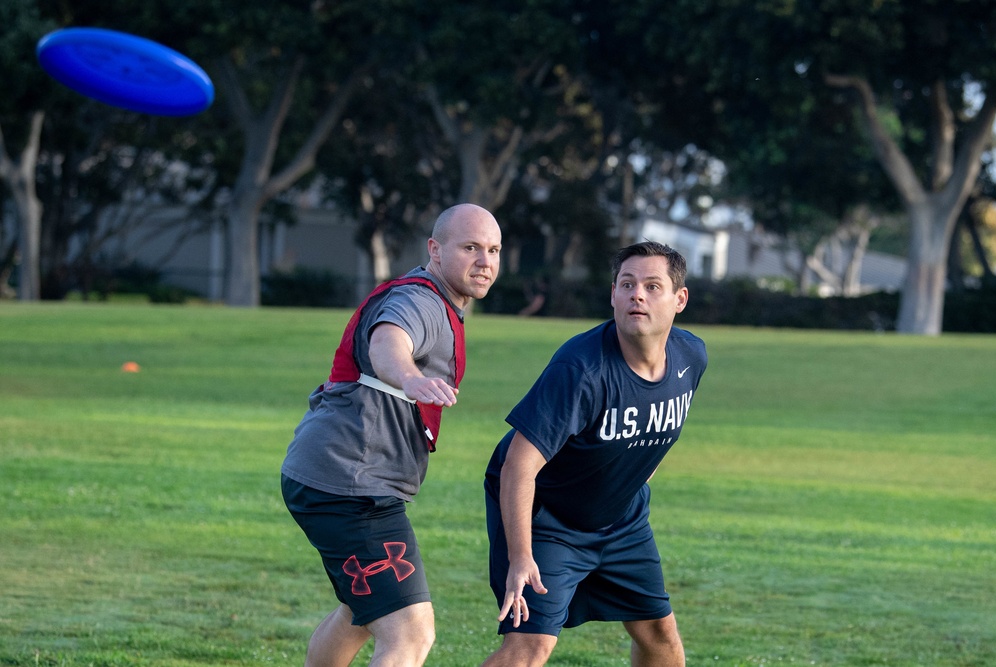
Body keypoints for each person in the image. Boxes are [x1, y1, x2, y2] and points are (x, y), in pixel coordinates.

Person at [281, 203, 502, 667]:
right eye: (471, 248)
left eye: (493, 250)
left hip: (331, 475)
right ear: (435, 250)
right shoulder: (420, 300)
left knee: (363, 610)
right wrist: (409, 377)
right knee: (410, 634)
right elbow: (389, 339)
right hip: (350, 485)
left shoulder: (439, 301)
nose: (485, 261)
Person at [482, 241, 707, 667]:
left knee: (660, 634)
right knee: (529, 648)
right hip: (550, 520)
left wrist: (622, 489)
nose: (637, 294)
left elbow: (656, 435)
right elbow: (517, 465)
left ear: (680, 300)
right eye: (627, 284)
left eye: (652, 286)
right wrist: (521, 556)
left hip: (621, 521)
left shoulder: (691, 356)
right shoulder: (581, 369)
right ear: (613, 295)